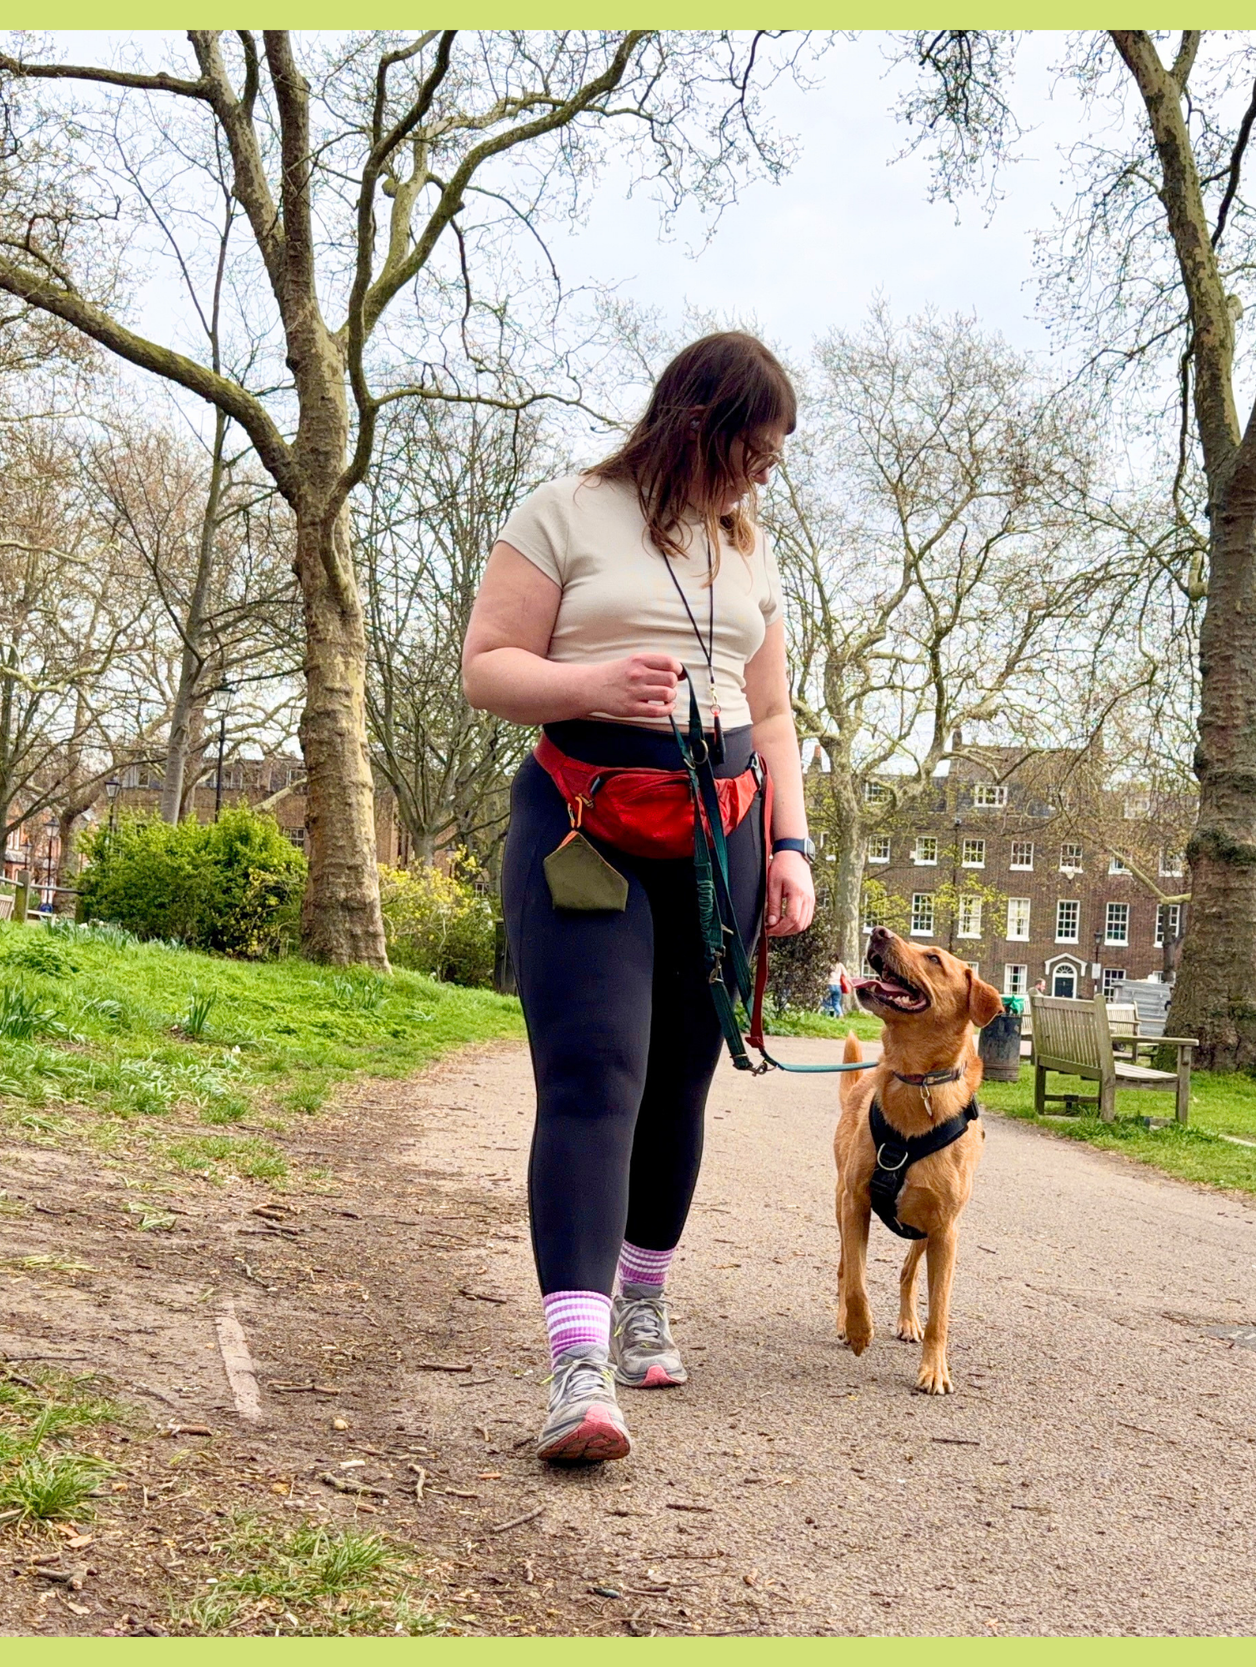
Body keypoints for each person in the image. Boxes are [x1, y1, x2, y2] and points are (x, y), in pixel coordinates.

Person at [460, 332, 817, 1465]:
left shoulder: (746, 548)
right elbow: (485, 664)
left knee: (679, 1079)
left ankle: (645, 1295)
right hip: (584, 827)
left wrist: (792, 846)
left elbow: (771, 715)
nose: (761, 475)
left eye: (773, 459)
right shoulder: (564, 511)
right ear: (696, 422)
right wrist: (590, 683)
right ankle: (578, 1367)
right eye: (752, 451)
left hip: (722, 834)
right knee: (593, 1072)